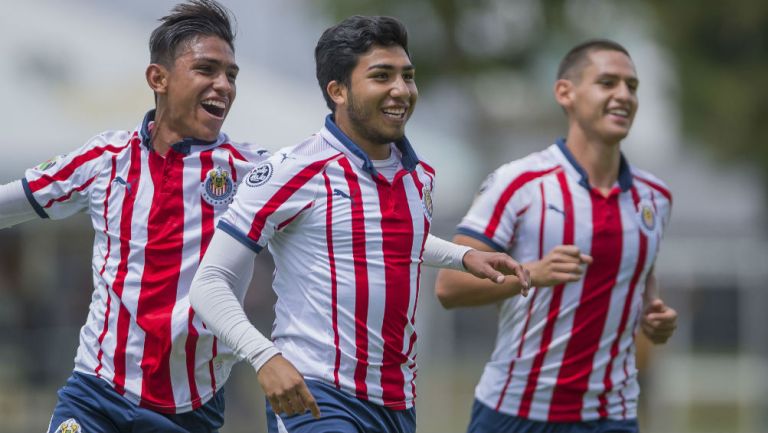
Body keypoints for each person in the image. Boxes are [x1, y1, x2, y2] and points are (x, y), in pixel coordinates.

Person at [188, 15, 530, 433]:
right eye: (382, 76)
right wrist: (265, 357)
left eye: (408, 76)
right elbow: (209, 282)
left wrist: (464, 256)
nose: (401, 90)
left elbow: (389, 240)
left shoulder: (418, 176)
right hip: (317, 396)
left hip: (396, 403)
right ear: (338, 91)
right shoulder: (296, 170)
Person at [0, 1, 270, 432]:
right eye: (207, 69)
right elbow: (10, 203)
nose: (224, 85)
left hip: (189, 409)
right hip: (96, 394)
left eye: (231, 75)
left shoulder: (253, 172)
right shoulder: (105, 160)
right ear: (158, 78)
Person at [434, 39, 678, 433]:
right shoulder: (519, 183)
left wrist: (655, 315)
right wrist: (534, 273)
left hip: (612, 415)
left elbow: (640, 276)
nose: (623, 95)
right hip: (516, 412)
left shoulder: (655, 197)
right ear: (566, 92)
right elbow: (449, 286)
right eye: (607, 83)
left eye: (631, 86)